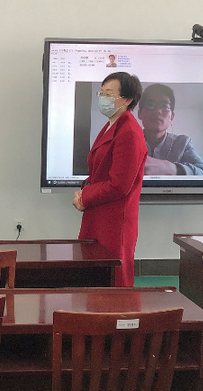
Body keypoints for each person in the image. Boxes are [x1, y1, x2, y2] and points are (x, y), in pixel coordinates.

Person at [73, 72, 146, 287]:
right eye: (101, 93)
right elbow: (101, 170)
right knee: (94, 275)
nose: (103, 98)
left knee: (113, 280)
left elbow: (119, 185)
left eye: (109, 94)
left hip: (114, 219)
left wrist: (85, 197)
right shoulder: (112, 124)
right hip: (100, 213)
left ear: (127, 99)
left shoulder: (129, 132)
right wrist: (84, 191)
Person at [136, 83, 203, 176]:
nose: (158, 111)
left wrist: (173, 169)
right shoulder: (128, 142)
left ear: (171, 116)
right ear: (140, 113)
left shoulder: (183, 143)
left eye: (164, 106)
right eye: (150, 105)